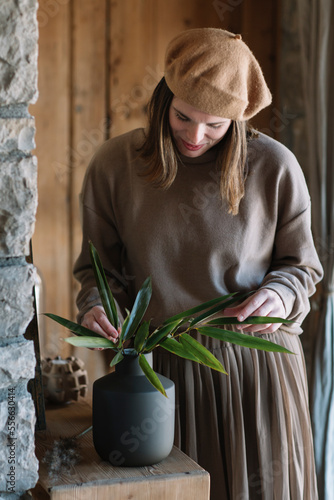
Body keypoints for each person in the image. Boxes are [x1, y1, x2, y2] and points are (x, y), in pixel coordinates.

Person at [73, 28, 323, 499]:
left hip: (254, 371)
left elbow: (302, 268)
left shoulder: (275, 166)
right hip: (156, 375)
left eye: (216, 125)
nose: (195, 135)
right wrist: (94, 307)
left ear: (240, 119)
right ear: (163, 98)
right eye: (183, 117)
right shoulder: (113, 165)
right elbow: (97, 271)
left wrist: (279, 293)